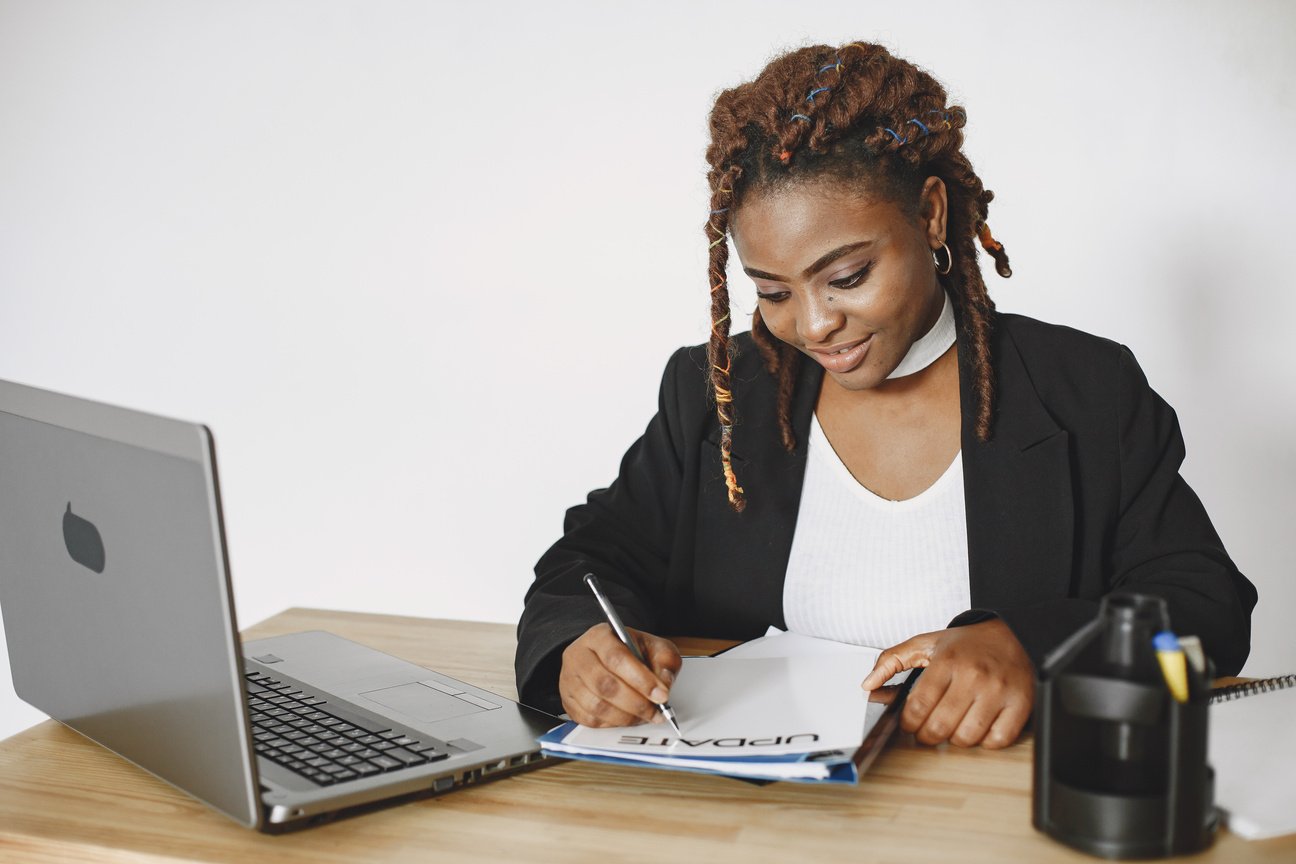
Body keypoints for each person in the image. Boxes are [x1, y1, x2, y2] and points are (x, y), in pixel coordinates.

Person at [514, 41, 1257, 749]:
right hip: (747, 820)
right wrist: (583, 644)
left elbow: (1204, 608)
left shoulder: (1084, 389)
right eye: (773, 291)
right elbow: (587, 561)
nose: (813, 324)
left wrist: (1029, 645)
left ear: (930, 214)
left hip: (987, 811)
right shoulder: (718, 396)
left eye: (846, 277)